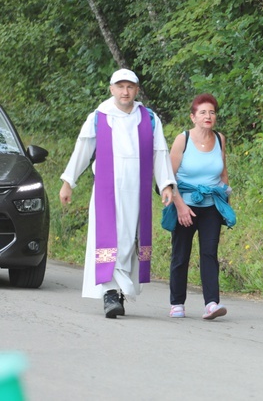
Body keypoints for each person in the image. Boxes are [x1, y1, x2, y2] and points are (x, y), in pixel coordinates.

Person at [59, 68, 176, 318]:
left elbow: (160, 152)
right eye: (120, 87)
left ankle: (118, 291)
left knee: (128, 240)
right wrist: (68, 180)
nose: (125, 92)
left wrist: (166, 183)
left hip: (137, 189)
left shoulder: (149, 118)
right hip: (107, 190)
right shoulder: (100, 117)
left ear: (136, 90)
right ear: (111, 89)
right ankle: (110, 293)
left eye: (130, 87)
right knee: (108, 238)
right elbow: (83, 148)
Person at [168, 93, 235, 320]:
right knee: (181, 254)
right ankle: (177, 303)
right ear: (193, 117)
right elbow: (168, 177)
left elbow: (223, 173)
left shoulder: (220, 139)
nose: (208, 116)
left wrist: (225, 201)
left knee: (209, 253)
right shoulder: (183, 139)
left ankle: (211, 303)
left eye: (212, 112)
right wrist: (180, 207)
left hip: (212, 206)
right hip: (185, 204)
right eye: (203, 112)